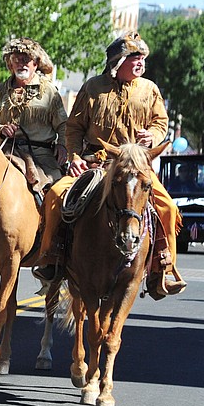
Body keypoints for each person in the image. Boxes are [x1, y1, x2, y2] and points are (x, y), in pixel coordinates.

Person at [35, 31, 186, 299]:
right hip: (97, 164)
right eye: (134, 57)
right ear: (117, 61)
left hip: (136, 167)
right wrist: (75, 157)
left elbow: (161, 123)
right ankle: (52, 258)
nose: (140, 63)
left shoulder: (150, 89)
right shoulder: (93, 87)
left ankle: (162, 269)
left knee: (168, 207)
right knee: (57, 195)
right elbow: (74, 128)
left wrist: (153, 134)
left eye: (142, 58)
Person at [0, 38, 67, 194]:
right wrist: (1, 130)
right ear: (10, 64)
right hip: (6, 151)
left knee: (57, 193)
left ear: (35, 63)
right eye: (16, 59)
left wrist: (62, 145)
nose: (21, 63)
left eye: (26, 59)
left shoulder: (48, 91)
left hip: (41, 155)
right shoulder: (0, 91)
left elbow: (63, 125)